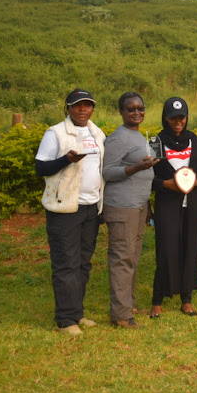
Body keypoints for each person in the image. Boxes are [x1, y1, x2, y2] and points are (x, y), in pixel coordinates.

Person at [35, 88, 105, 336]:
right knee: (66, 264)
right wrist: (66, 159)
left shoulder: (97, 133)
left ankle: (77, 313)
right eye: (77, 105)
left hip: (91, 207)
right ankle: (65, 320)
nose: (83, 109)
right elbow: (40, 167)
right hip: (64, 208)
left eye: (87, 105)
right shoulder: (55, 133)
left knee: (83, 263)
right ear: (68, 108)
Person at [102, 92, 159, 329]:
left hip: (138, 206)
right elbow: (107, 171)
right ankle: (121, 314)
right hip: (122, 206)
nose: (137, 113)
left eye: (140, 108)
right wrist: (137, 167)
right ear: (121, 112)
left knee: (132, 257)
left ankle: (130, 305)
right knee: (122, 258)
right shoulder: (118, 138)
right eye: (131, 109)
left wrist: (147, 206)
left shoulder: (139, 135)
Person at [149, 97, 197, 318]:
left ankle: (187, 299)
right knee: (166, 249)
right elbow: (149, 176)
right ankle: (157, 300)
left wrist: (196, 182)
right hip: (167, 203)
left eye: (181, 117)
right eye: (173, 117)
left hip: (191, 204)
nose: (178, 121)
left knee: (191, 248)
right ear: (165, 117)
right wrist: (166, 184)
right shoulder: (156, 142)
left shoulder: (194, 140)